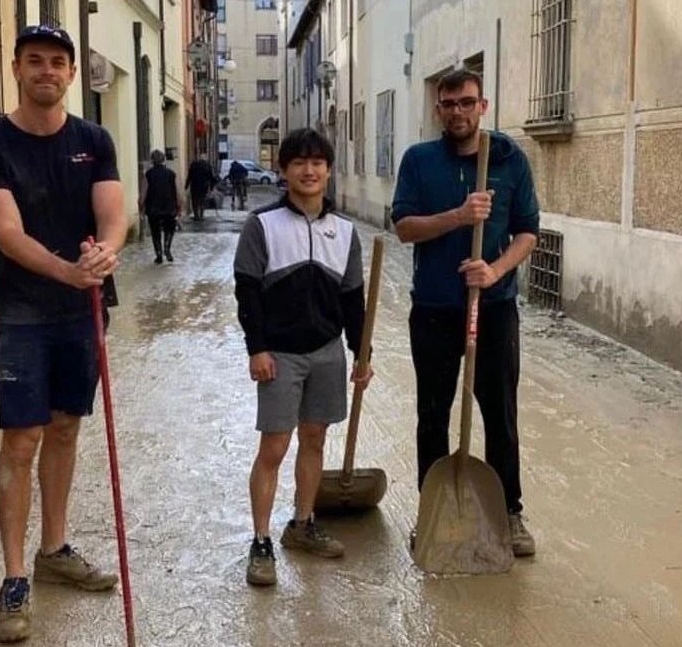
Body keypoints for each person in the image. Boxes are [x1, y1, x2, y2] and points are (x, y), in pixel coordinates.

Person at [0, 25, 127, 643]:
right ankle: (13, 580)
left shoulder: (94, 140)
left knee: (64, 429)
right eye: (35, 61)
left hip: (82, 311)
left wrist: (104, 257)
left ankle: (53, 550)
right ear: (16, 69)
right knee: (21, 441)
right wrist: (68, 270)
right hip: (25, 311)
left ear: (71, 73)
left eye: (58, 62)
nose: (47, 72)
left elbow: (114, 216)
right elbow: (6, 231)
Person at [391, 68, 540, 558]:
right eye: (449, 103)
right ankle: (432, 514)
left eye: (467, 102)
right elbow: (405, 228)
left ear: (484, 105)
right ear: (438, 109)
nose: (458, 111)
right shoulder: (418, 160)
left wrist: (494, 271)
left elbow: (527, 233)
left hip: (492, 310)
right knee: (432, 415)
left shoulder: (510, 160)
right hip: (434, 308)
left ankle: (510, 512)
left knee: (500, 415)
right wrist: (459, 216)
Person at [234, 128, 374, 587]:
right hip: (280, 354)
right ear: (284, 169)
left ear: (329, 170)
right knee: (274, 447)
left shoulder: (346, 231)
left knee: (314, 440)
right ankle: (260, 542)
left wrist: (361, 354)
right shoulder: (263, 225)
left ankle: (303, 524)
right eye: (299, 162)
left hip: (328, 352)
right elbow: (248, 294)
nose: (309, 170)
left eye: (317, 162)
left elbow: (355, 301)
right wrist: (257, 348)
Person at [140, 149, 181, 263]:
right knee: (169, 230)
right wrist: (179, 207)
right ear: (164, 160)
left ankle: (159, 255)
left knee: (155, 232)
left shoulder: (148, 174)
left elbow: (143, 193)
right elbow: (178, 193)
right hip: (169, 208)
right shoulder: (171, 174)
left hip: (153, 209)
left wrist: (141, 207)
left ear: (152, 160)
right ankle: (167, 248)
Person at [184, 154, 216, 221]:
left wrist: (186, 186)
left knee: (194, 201)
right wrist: (212, 188)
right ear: (205, 159)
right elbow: (211, 177)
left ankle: (196, 215)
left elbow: (189, 176)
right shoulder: (207, 165)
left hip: (194, 186)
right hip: (203, 186)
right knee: (202, 201)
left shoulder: (193, 165)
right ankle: (201, 215)